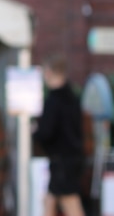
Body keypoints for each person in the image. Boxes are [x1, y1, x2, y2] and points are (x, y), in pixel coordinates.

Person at [33, 54, 86, 216]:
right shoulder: (73, 98)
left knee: (70, 202)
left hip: (62, 161)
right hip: (72, 158)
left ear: (48, 72)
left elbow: (46, 133)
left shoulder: (53, 101)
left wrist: (35, 131)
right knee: (49, 200)